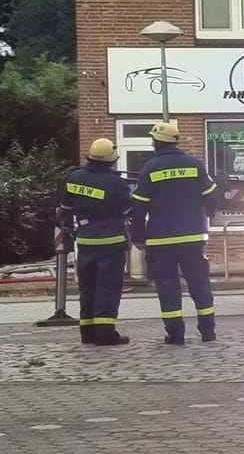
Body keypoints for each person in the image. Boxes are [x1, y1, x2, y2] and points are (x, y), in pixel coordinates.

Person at [130, 121, 221, 345]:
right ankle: (208, 331)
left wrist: (138, 238)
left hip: (161, 240)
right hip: (192, 237)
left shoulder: (150, 169)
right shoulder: (194, 164)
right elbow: (212, 194)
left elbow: (139, 207)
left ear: (157, 142)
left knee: (168, 286)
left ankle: (175, 334)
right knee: (199, 284)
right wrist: (209, 214)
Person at [57, 138, 134, 346]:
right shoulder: (116, 183)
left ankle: (87, 332)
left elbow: (64, 210)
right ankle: (106, 334)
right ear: (111, 160)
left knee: (88, 287)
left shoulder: (73, 178)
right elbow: (128, 210)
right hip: (111, 241)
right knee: (107, 287)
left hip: (85, 241)